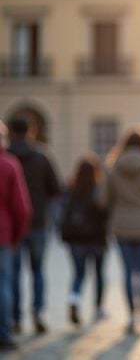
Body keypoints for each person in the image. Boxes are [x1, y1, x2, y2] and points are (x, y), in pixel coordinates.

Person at [102, 125, 140, 333]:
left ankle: (130, 317)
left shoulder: (113, 167)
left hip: (121, 225)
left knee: (128, 272)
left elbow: (103, 199)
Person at [7, 116, 60, 335]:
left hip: (12, 225)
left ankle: (16, 318)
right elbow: (55, 190)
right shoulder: (42, 156)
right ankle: (38, 312)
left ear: (11, 132)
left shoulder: (7, 157)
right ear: (31, 131)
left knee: (14, 273)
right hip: (38, 222)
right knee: (38, 270)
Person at [60, 153, 110, 326]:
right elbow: (105, 214)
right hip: (96, 239)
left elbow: (64, 215)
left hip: (76, 240)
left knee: (78, 274)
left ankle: (74, 300)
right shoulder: (99, 190)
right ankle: (98, 308)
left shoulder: (72, 190)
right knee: (99, 274)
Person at [0, 120, 31, 350]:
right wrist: (16, 235)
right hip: (3, 235)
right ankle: (4, 332)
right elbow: (22, 208)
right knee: (3, 284)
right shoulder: (9, 164)